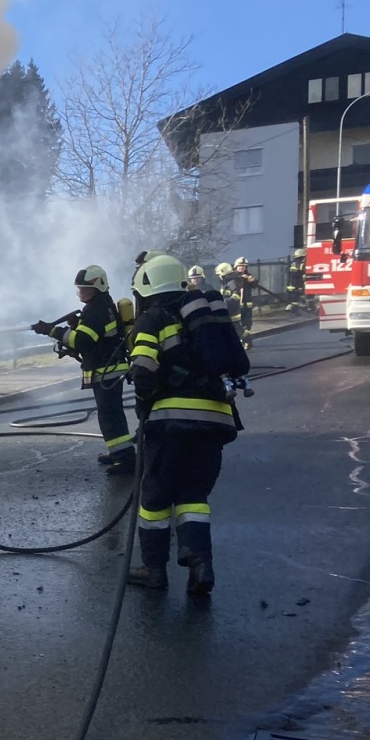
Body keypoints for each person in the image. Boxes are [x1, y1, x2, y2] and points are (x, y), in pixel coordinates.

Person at [126, 254, 241, 595]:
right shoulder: (201, 317)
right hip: (215, 420)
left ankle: (154, 570)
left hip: (170, 422)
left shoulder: (153, 318)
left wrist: (144, 403)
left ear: (147, 288)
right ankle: (200, 565)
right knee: (193, 495)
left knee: (155, 497)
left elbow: (143, 369)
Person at [31, 265, 133, 476]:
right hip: (107, 369)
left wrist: (51, 330)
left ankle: (125, 459)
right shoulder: (100, 307)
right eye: (80, 289)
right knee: (110, 415)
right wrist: (77, 324)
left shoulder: (96, 311)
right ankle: (118, 453)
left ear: (98, 287)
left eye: (86, 289)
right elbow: (92, 337)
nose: (82, 293)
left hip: (106, 370)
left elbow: (81, 341)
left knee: (110, 416)